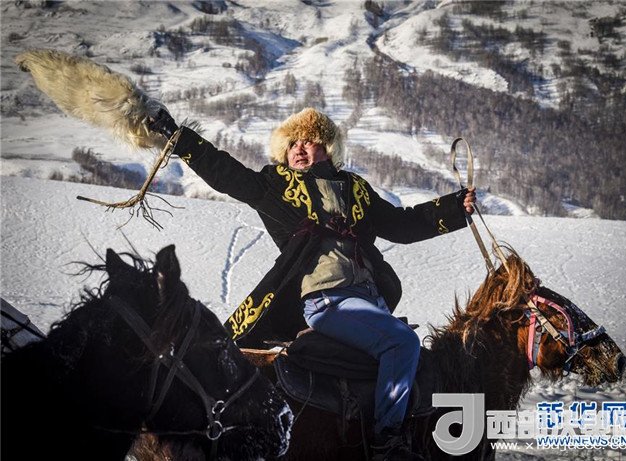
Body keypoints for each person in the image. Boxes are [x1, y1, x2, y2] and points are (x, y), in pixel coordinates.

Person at [148, 107, 476, 460]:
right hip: (328, 301)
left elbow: (402, 225)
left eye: (309, 140)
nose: (299, 148)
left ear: (328, 148)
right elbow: (226, 173)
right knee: (402, 343)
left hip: (372, 302)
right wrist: (178, 137)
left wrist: (456, 208)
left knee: (418, 364)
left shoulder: (356, 188)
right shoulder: (276, 185)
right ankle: (387, 442)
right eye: (292, 143)